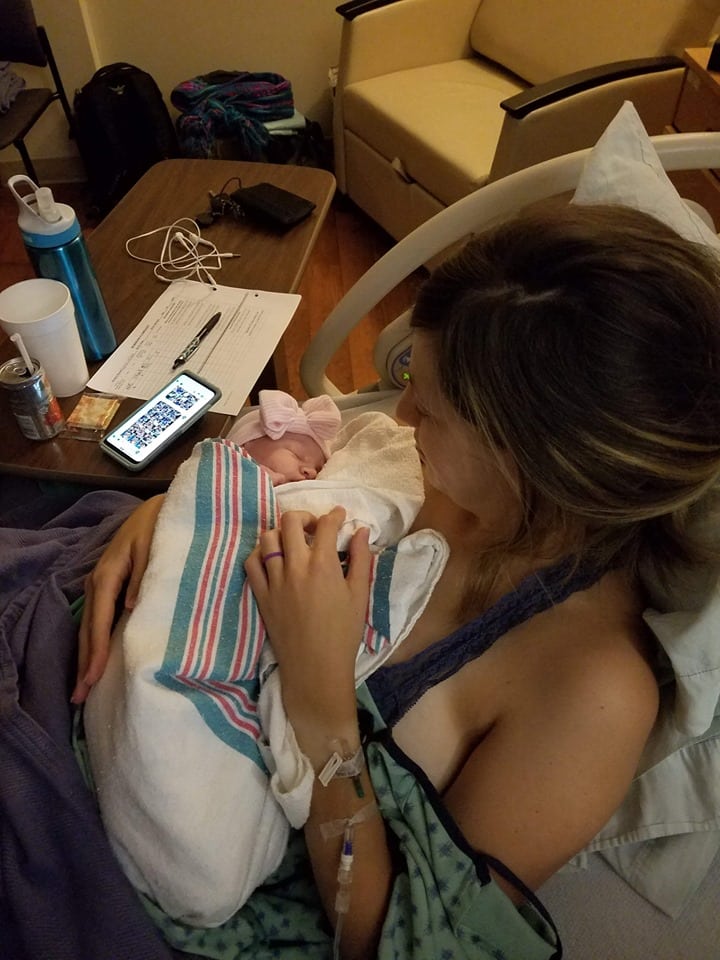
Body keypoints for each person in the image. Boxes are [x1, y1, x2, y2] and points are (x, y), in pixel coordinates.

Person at [75, 202, 720, 960]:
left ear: (537, 466)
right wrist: (172, 516)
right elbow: (290, 487)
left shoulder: (592, 694)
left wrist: (320, 707)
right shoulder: (442, 469)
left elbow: (394, 942)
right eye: (414, 374)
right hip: (90, 646)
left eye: (434, 407)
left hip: (130, 836)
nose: (400, 411)